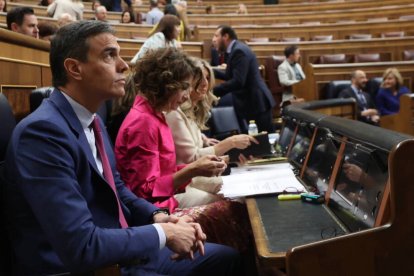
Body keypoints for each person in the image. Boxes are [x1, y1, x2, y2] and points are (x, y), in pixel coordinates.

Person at [2, 20, 240, 275]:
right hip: (89, 267)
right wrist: (163, 233)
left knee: (228, 258)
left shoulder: (94, 121)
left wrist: (156, 217)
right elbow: (81, 246)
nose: (124, 65)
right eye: (109, 55)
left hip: (117, 248)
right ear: (74, 68)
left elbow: (120, 190)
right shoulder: (42, 134)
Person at [115, 47, 252, 254]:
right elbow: (143, 192)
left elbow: (163, 171)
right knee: (236, 209)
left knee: (237, 199)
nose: (188, 95)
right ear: (166, 85)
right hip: (155, 213)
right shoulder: (143, 122)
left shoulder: (155, 114)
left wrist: (196, 168)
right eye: (184, 87)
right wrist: (192, 169)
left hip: (165, 201)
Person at [165, 59, 258, 206]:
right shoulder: (174, 113)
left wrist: (209, 143)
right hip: (184, 181)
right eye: (199, 78)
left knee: (243, 192)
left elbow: (193, 144)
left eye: (207, 78)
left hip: (194, 177)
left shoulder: (191, 109)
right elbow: (192, 159)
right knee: (232, 202)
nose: (204, 84)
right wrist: (230, 143)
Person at [212, 25, 275, 134]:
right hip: (252, 102)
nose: (213, 40)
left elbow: (238, 81)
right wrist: (210, 71)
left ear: (225, 36)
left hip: (257, 102)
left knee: (265, 140)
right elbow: (229, 75)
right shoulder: (236, 49)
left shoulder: (238, 51)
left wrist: (212, 91)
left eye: (216, 36)